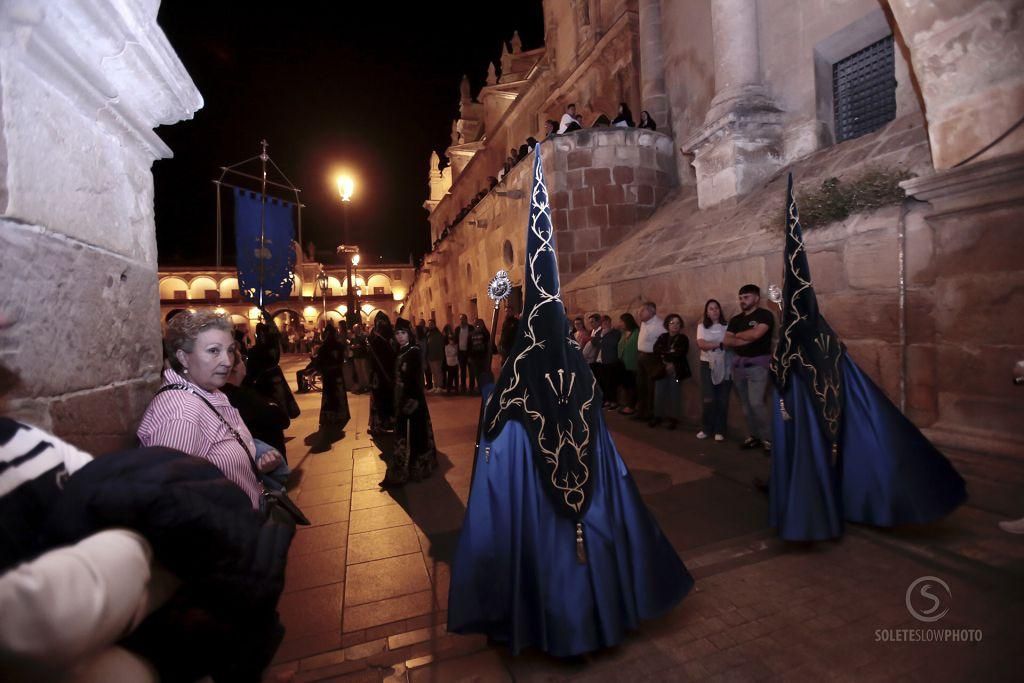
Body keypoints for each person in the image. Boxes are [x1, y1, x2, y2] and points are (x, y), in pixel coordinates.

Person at [449, 148, 692, 656]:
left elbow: (495, 452)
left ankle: (550, 623)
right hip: (588, 496)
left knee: (540, 542)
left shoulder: (519, 376)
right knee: (593, 536)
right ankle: (600, 616)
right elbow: (606, 451)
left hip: (539, 499)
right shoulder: (578, 373)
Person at [138, 310, 282, 511]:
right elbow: (168, 502)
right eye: (214, 351)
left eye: (230, 350)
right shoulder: (181, 414)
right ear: (184, 357)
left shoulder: (210, 393)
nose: (227, 361)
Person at [380, 318, 438, 487]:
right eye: (397, 333)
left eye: (403, 333)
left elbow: (414, 379)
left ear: (409, 334)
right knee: (405, 434)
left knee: (414, 433)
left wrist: (409, 401)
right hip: (401, 398)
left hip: (412, 399)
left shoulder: (413, 351)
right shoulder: (401, 350)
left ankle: (414, 466)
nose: (400, 336)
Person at [724, 284, 775, 452]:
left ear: (756, 298)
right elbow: (727, 341)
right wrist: (746, 336)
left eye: (746, 297)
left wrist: (740, 335)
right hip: (739, 366)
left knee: (756, 403)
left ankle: (769, 439)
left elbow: (757, 334)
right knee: (745, 405)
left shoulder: (765, 315)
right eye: (740, 298)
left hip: (758, 366)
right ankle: (754, 436)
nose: (742, 301)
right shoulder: (736, 319)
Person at [223, 347, 291, 462]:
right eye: (242, 359)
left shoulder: (222, 393)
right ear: (233, 368)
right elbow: (282, 419)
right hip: (266, 461)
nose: (245, 363)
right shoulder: (245, 397)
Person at [309, 323, 351, 452]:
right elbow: (343, 358)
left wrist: (321, 369)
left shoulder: (324, 347)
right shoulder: (337, 346)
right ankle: (340, 415)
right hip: (336, 374)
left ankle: (331, 417)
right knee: (337, 395)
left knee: (330, 396)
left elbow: (319, 363)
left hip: (329, 376)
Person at [695, 299, 731, 441]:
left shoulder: (726, 326)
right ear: (707, 312)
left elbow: (729, 344)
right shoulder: (701, 327)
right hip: (707, 364)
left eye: (716, 308)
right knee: (708, 398)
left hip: (724, 363)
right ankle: (706, 428)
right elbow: (702, 344)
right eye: (711, 308)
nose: (714, 311)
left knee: (722, 398)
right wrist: (720, 344)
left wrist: (716, 345)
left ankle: (719, 430)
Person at [651, 313, 690, 430]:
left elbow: (680, 353)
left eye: (678, 323)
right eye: (672, 323)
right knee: (659, 393)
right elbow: (656, 350)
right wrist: (669, 354)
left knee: (675, 393)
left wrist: (668, 355)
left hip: (676, 372)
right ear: (667, 325)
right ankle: (657, 416)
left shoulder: (683, 338)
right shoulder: (662, 337)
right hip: (662, 370)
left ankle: (674, 419)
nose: (675, 325)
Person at [367, 311, 397, 435]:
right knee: (386, 399)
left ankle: (379, 425)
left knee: (379, 399)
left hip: (380, 375)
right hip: (387, 375)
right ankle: (387, 422)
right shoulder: (391, 338)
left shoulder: (375, 340)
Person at [635, 302, 664, 422]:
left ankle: (651, 414)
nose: (639, 313)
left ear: (651, 311)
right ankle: (641, 412)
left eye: (642, 311)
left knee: (651, 387)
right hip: (641, 356)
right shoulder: (643, 323)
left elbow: (663, 343)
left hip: (652, 358)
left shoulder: (659, 324)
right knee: (641, 385)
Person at [616, 313, 640, 415]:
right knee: (625, 385)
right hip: (622, 363)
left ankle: (631, 406)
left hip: (633, 363)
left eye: (622, 321)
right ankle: (626, 404)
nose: (620, 323)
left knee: (632, 385)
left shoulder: (637, 332)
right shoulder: (623, 333)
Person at [596, 315, 621, 409]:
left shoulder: (615, 332)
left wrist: (603, 338)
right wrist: (602, 336)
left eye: (607, 322)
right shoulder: (599, 332)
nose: (605, 324)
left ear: (610, 322)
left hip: (610, 360)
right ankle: (606, 400)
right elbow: (595, 342)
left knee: (611, 382)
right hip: (601, 360)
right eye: (603, 322)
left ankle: (613, 401)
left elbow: (612, 343)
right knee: (603, 382)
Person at [468, 318, 490, 394]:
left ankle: (485, 388)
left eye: (478, 323)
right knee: (477, 373)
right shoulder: (471, 334)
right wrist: (470, 356)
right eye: (475, 323)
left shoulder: (485, 333)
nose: (476, 325)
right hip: (475, 357)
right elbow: (469, 346)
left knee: (484, 373)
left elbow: (488, 343)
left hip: (483, 356)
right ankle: (480, 388)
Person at [424, 319, 445, 394]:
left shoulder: (438, 334)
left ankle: (440, 386)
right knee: (433, 372)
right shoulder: (428, 334)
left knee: (438, 371)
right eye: (429, 324)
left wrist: (439, 355)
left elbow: (440, 345)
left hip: (437, 356)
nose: (430, 325)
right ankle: (435, 386)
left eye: (431, 324)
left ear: (434, 324)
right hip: (430, 356)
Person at [350, 322, 370, 393]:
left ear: (359, 328)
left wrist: (359, 345)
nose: (355, 330)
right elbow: (351, 344)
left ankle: (367, 385)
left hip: (363, 355)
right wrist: (352, 346)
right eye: (354, 329)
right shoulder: (353, 336)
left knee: (364, 371)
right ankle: (362, 385)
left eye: (356, 329)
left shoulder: (363, 335)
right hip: (356, 356)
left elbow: (366, 344)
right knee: (358, 371)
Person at [456, 313, 472, 393]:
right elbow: (455, 341)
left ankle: (471, 387)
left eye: (463, 319)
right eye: (460, 319)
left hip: (469, 352)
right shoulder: (457, 329)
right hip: (461, 352)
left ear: (466, 319)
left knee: (471, 370)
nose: (461, 321)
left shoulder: (471, 328)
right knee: (462, 370)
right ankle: (463, 386)